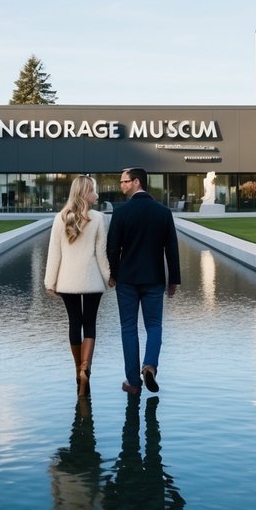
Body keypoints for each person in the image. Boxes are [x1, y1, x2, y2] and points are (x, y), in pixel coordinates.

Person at [106, 167, 181, 395]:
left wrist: (115, 274)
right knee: (154, 326)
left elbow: (112, 249)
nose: (121, 186)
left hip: (127, 280)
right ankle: (149, 365)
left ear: (137, 182)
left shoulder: (120, 213)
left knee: (128, 328)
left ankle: (133, 383)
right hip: (154, 279)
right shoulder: (163, 212)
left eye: (124, 182)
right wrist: (173, 280)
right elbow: (172, 250)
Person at [45, 175, 110, 394]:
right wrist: (110, 277)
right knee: (90, 324)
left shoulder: (60, 218)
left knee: (75, 323)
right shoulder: (99, 218)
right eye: (93, 191)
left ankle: (77, 370)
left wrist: (49, 281)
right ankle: (86, 369)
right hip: (91, 281)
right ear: (84, 193)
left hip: (67, 282)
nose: (96, 195)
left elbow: (54, 253)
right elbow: (101, 255)